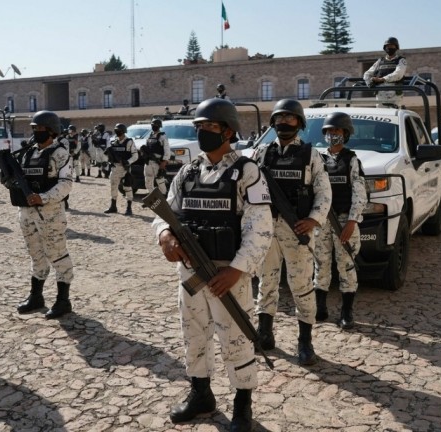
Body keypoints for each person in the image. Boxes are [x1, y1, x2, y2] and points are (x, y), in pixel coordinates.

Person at [152, 97, 273, 430]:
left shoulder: (247, 172)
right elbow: (168, 212)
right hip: (191, 273)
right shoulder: (189, 171)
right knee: (194, 335)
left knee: (236, 339)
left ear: (228, 132)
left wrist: (236, 270)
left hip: (227, 274)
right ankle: (201, 393)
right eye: (200, 127)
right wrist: (165, 235)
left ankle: (242, 404)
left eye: (210, 126)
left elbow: (260, 227)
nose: (203, 131)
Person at [253, 99, 332, 365]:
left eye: (290, 118)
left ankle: (305, 342)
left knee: (301, 286)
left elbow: (324, 193)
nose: (284, 122)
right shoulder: (261, 153)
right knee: (267, 283)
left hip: (297, 229)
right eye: (280, 118)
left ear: (299, 123)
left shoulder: (311, 155)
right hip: (266, 231)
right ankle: (264, 334)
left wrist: (313, 220)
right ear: (273, 122)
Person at [7, 110, 74, 319]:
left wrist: (43, 197)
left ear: (52, 131)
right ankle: (36, 296)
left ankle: (63, 300)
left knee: (57, 253)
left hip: (50, 213)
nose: (36, 132)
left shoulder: (60, 153)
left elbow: (66, 184)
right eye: (34, 128)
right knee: (35, 254)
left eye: (40, 128)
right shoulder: (28, 152)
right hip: (26, 213)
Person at [314, 112, 367, 330]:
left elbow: (360, 193)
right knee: (321, 265)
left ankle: (346, 312)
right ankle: (320, 308)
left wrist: (352, 221)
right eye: (329, 131)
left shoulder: (352, 160)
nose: (332, 134)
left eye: (337, 131)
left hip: (345, 220)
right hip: (322, 220)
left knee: (346, 266)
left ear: (345, 134)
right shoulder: (318, 158)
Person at [103, 123, 138, 215]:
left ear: (123, 131)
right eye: (116, 130)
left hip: (125, 168)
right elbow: (108, 154)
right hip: (115, 168)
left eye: (118, 130)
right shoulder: (114, 142)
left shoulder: (129, 142)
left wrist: (128, 162)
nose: (117, 132)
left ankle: (129, 208)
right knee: (113, 187)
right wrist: (109, 159)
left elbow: (135, 155)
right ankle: (113, 206)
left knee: (127, 188)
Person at [363, 37, 408, 107]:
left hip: (394, 93)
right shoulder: (380, 61)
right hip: (380, 93)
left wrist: (382, 79)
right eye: (387, 46)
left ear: (396, 47)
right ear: (385, 48)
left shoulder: (401, 60)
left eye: (391, 46)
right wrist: (369, 83)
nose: (389, 48)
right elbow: (367, 74)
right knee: (381, 114)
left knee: (395, 114)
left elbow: (398, 74)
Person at [142, 118, 171, 195]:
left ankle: (164, 196)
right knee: (148, 180)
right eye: (152, 125)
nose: (153, 126)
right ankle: (152, 197)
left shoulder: (162, 136)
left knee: (160, 180)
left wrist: (164, 162)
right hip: (149, 161)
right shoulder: (149, 136)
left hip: (158, 162)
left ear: (159, 126)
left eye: (155, 125)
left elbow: (167, 150)